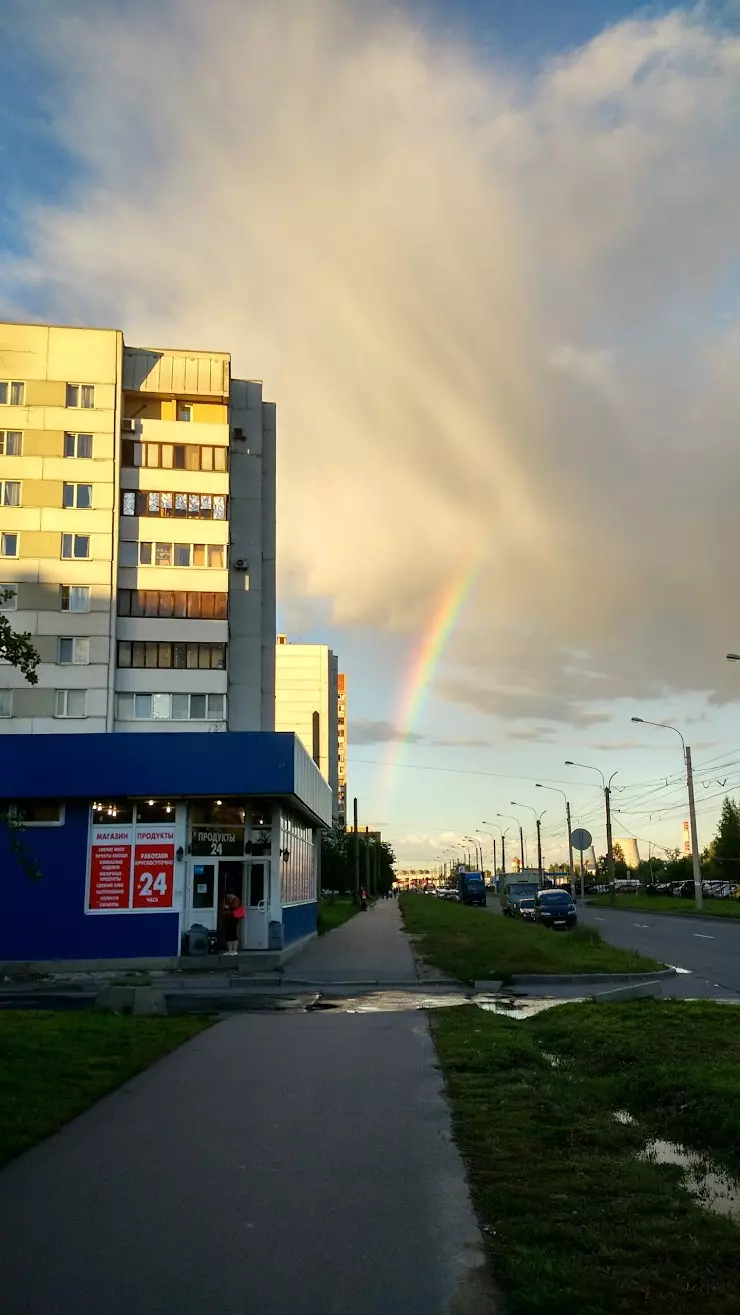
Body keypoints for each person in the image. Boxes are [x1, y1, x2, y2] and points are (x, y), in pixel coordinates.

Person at [222, 890, 245, 956]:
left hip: (234, 918)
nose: (228, 897)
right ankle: (230, 950)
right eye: (227, 896)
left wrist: (228, 907)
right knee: (229, 934)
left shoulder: (236, 899)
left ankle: (234, 950)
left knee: (233, 934)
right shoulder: (227, 900)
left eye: (229, 895)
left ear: (231, 894)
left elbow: (236, 907)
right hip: (228, 918)